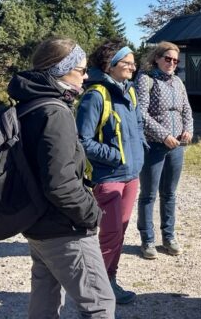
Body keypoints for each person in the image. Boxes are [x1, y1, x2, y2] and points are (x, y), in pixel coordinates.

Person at [6, 37, 115, 318]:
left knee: (45, 298)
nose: (86, 75)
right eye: (80, 69)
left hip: (37, 223)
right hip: (64, 229)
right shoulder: (55, 112)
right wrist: (92, 215)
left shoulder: (29, 103)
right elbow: (60, 184)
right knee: (100, 305)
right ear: (59, 70)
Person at [76, 38, 146, 305]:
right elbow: (82, 140)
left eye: (133, 62)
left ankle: (109, 280)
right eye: (127, 63)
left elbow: (137, 125)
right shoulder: (95, 95)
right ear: (110, 64)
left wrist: (139, 149)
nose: (133, 67)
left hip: (131, 175)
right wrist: (115, 156)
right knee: (109, 233)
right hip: (108, 177)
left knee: (121, 230)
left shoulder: (129, 91)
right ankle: (98, 288)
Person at [135, 41, 193, 258]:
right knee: (149, 195)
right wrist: (163, 135)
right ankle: (147, 240)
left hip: (177, 147)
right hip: (154, 147)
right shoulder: (145, 79)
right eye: (167, 59)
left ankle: (169, 237)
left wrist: (188, 129)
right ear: (157, 58)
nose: (171, 63)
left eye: (175, 61)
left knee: (169, 194)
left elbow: (186, 109)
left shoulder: (178, 82)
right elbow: (141, 113)